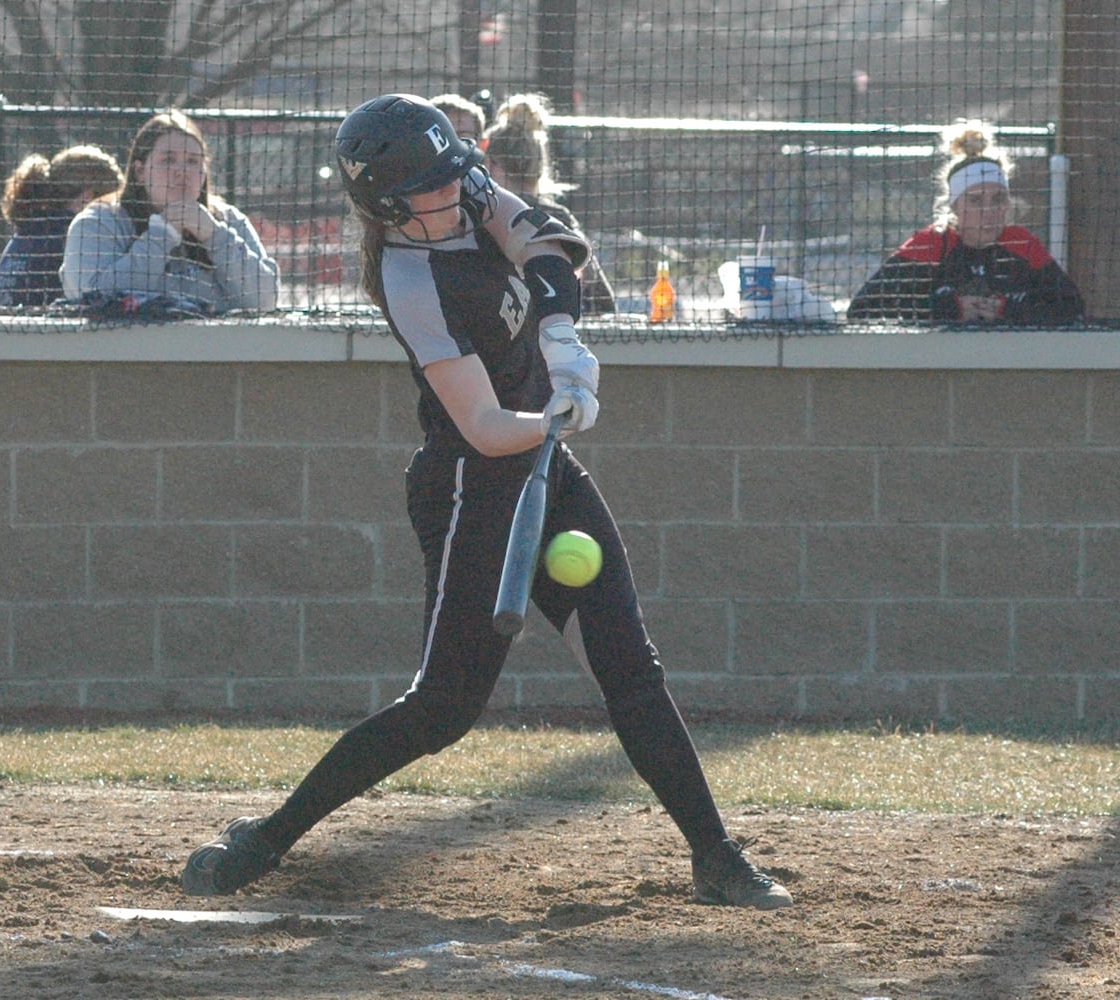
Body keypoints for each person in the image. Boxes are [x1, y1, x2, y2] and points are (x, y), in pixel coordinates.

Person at [180, 94, 793, 912]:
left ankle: (715, 858)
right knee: (442, 710)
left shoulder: (464, 191)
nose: (456, 188)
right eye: (430, 184)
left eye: (453, 172)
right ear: (387, 204)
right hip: (472, 485)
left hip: (547, 470)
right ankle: (266, 837)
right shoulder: (409, 280)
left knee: (631, 673)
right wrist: (555, 414)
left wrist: (561, 338)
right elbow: (481, 425)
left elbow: (544, 245)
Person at [848, 119, 1083, 324]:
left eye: (998, 199)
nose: (989, 211)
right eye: (976, 201)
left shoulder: (1022, 244)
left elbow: (1072, 308)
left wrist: (1008, 310)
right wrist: (950, 309)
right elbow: (863, 308)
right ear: (955, 207)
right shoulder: (930, 244)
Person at [60, 110, 279, 314]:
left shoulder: (229, 220)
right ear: (140, 171)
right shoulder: (98, 222)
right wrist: (161, 236)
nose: (182, 171)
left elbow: (265, 300)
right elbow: (91, 296)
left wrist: (214, 235)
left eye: (193, 161)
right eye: (168, 160)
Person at [479, 93, 616, 315]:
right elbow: (604, 304)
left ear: (492, 166)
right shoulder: (559, 218)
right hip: (558, 333)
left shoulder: (485, 217)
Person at [0, 145, 123, 307]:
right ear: (87, 197)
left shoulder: (26, 231)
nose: (113, 213)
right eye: (111, 204)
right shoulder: (72, 236)